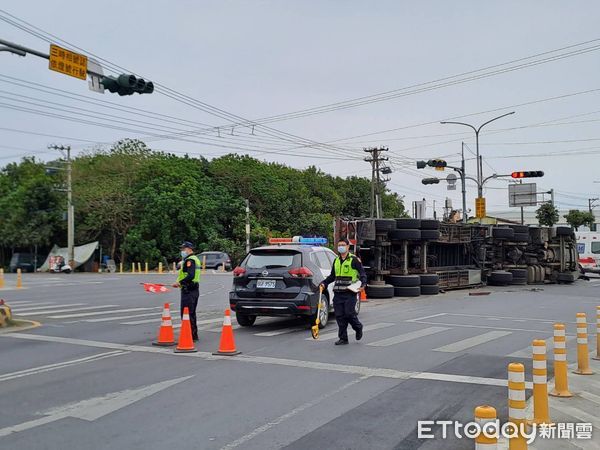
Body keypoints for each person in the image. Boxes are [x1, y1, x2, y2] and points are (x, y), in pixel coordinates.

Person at [320, 238, 367, 345]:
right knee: (339, 316)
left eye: (343, 245)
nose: (341, 247)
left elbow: (362, 274)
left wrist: (363, 285)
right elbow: (332, 276)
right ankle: (343, 338)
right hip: (338, 293)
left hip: (350, 292)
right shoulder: (336, 260)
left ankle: (358, 327)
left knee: (349, 313)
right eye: (339, 245)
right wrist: (324, 283)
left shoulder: (354, 260)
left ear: (347, 247)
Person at [172, 241, 201, 341]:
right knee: (191, 313)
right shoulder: (193, 259)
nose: (182, 251)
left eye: (183, 249)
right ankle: (193, 335)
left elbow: (191, 275)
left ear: (189, 249)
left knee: (186, 313)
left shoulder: (190, 260)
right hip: (193, 289)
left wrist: (180, 282)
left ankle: (189, 335)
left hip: (188, 290)